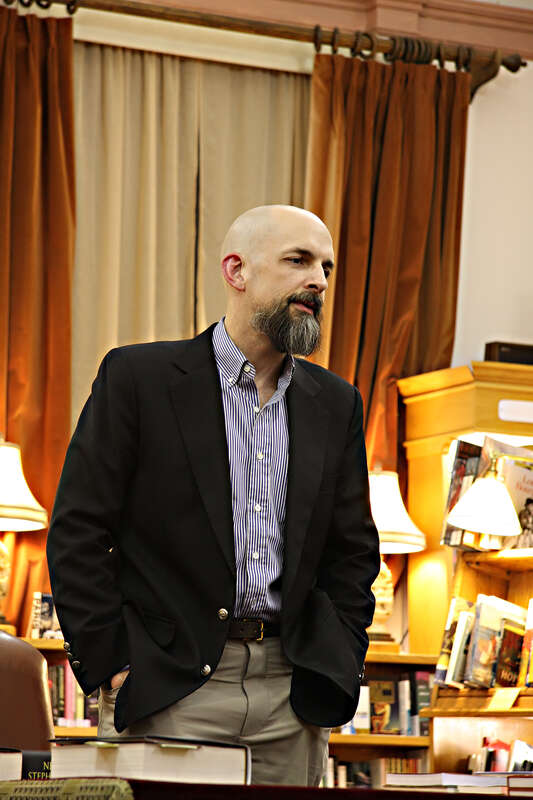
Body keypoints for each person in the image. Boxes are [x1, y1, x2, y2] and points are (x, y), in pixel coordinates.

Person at [47, 204, 380, 785]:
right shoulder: (138, 379)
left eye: (326, 267)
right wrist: (113, 665)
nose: (319, 282)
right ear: (236, 271)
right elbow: (78, 529)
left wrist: (341, 660)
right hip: (170, 686)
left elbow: (352, 552)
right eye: (298, 260)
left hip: (293, 694)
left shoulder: (337, 403)